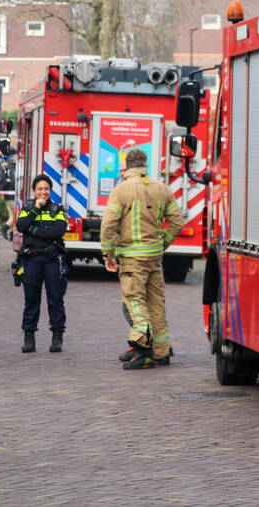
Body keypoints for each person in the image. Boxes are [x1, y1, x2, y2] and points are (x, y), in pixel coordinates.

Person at [101, 148, 185, 370]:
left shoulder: (121, 191)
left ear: (127, 166)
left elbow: (108, 225)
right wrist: (162, 243)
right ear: (144, 165)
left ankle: (143, 350)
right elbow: (177, 222)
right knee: (156, 304)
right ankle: (162, 351)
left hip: (132, 259)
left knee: (135, 303)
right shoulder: (162, 189)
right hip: (154, 258)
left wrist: (108, 255)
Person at [14, 174, 68, 353]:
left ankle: (57, 336)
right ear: (34, 191)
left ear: (50, 190)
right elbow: (21, 226)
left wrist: (34, 230)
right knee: (31, 300)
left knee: (55, 299)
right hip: (32, 260)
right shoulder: (28, 208)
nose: (43, 192)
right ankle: (29, 336)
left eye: (46, 189)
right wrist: (36, 210)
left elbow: (58, 231)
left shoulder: (58, 208)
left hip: (52, 260)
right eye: (40, 189)